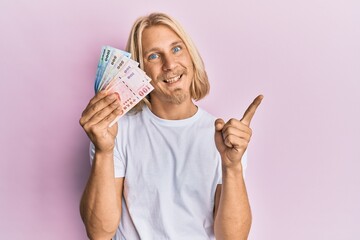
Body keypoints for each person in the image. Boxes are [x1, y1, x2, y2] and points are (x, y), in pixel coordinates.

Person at [79, 12, 263, 240]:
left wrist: (232, 167)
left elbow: (232, 238)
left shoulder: (223, 138)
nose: (170, 64)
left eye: (176, 49)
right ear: (139, 71)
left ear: (191, 56)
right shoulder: (115, 132)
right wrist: (104, 152)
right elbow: (99, 233)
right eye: (154, 56)